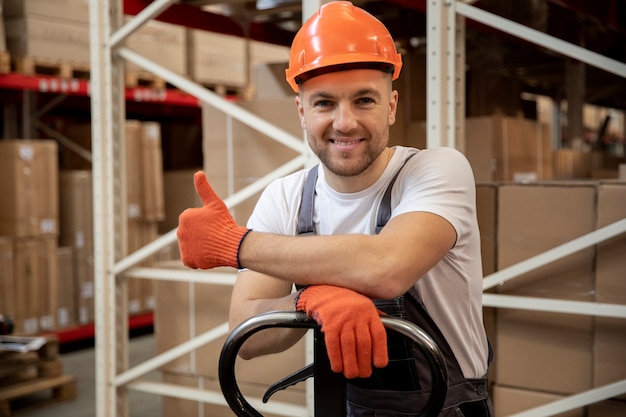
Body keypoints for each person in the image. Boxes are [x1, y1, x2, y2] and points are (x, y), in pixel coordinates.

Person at [177, 1, 493, 416]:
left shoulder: (436, 171)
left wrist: (233, 244)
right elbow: (246, 336)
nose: (345, 123)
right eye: (324, 103)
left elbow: (387, 266)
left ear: (392, 106)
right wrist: (306, 301)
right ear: (302, 112)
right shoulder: (286, 198)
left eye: (364, 100)